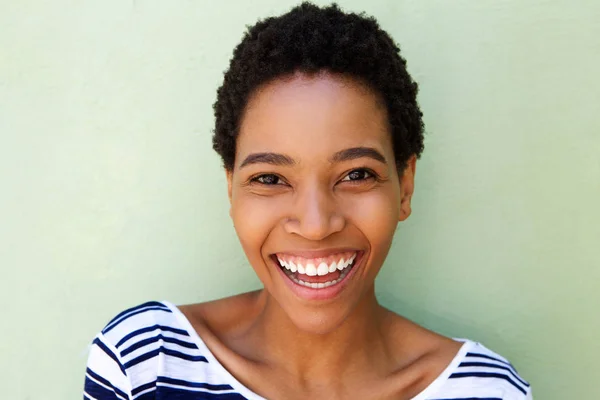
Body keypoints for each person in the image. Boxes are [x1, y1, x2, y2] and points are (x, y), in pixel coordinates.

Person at [83, 3, 532, 399]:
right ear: (231, 189)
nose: (316, 225)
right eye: (271, 178)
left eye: (356, 175)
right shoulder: (146, 365)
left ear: (405, 185)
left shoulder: (485, 392)